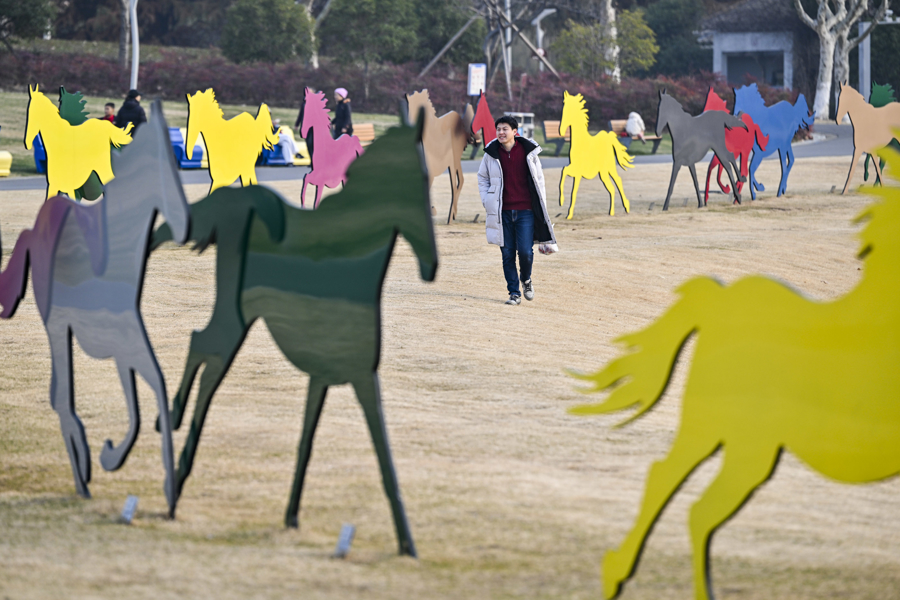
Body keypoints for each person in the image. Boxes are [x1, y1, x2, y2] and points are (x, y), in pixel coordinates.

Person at [477, 115, 558, 305]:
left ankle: (526, 280)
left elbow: (539, 181)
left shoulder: (528, 152)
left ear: (515, 131)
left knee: (525, 252)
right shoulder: (491, 153)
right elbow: (482, 177)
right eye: (498, 129)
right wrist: (487, 200)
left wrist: (542, 206)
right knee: (507, 254)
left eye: (505, 129)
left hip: (525, 211)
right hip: (502, 212)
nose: (500, 132)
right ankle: (514, 293)